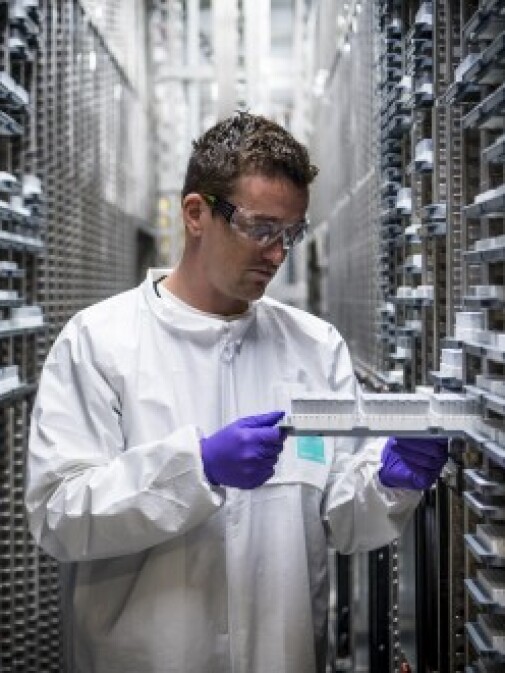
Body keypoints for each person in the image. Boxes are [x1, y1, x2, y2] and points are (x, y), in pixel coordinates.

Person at [26, 111, 448, 673]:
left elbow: (341, 517)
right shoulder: (99, 343)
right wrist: (195, 468)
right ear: (197, 214)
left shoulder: (314, 347)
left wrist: (390, 479)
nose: (277, 254)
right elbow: (59, 514)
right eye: (260, 228)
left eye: (290, 234)